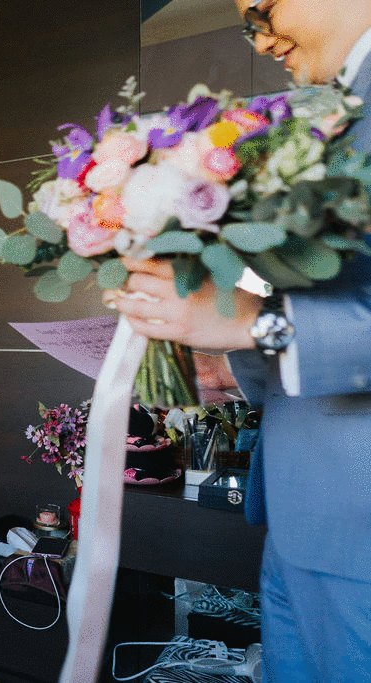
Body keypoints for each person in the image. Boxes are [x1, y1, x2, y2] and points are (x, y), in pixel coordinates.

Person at [104, 2, 371, 680]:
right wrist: (231, 366)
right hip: (302, 522)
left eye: (262, 10)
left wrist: (259, 321)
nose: (261, 40)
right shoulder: (342, 110)